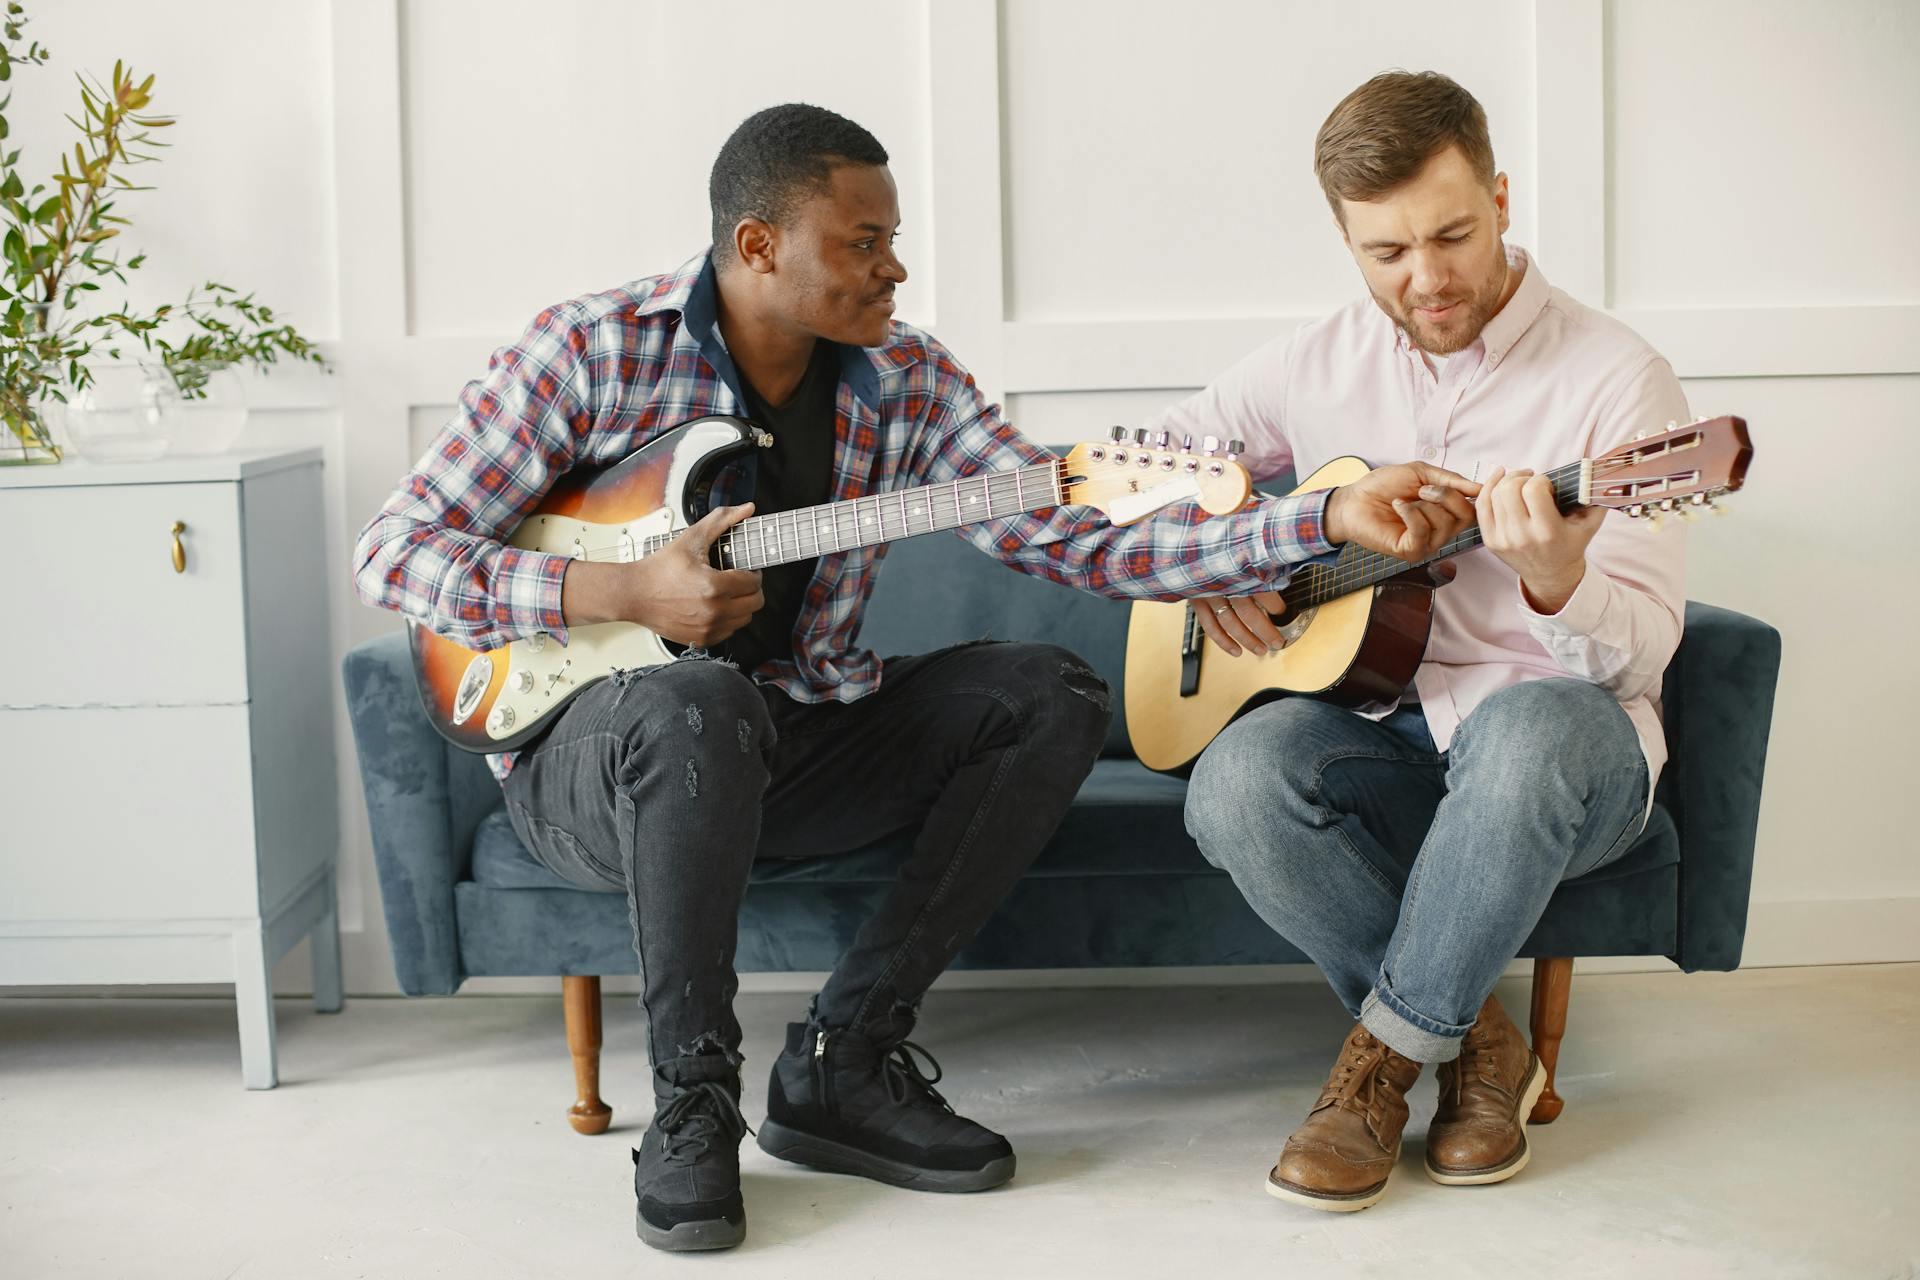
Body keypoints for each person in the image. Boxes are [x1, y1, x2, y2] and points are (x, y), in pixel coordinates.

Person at [352, 102, 1475, 1251]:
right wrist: (624, 596)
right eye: (864, 242)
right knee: (696, 697)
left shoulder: (909, 380)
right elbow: (393, 552)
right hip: (595, 773)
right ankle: (693, 1103)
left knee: (1051, 693)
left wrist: (1310, 518)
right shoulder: (592, 351)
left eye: (894, 236)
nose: (896, 265)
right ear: (757, 247)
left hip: (790, 747)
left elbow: (1081, 532)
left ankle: (846, 1058)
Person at [1169, 71, 1689, 1212]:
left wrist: (1559, 580)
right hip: (1385, 737)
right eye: (1387, 251)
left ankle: (1378, 1071)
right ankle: (1480, 1047)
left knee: (1527, 731)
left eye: (1453, 234)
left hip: (1568, 757)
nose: (1427, 276)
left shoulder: (1619, 381)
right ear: (1346, 240)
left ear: (1501, 198)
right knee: (1234, 782)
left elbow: (1643, 658)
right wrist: (1230, 558)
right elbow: (1152, 474)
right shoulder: (1308, 364)